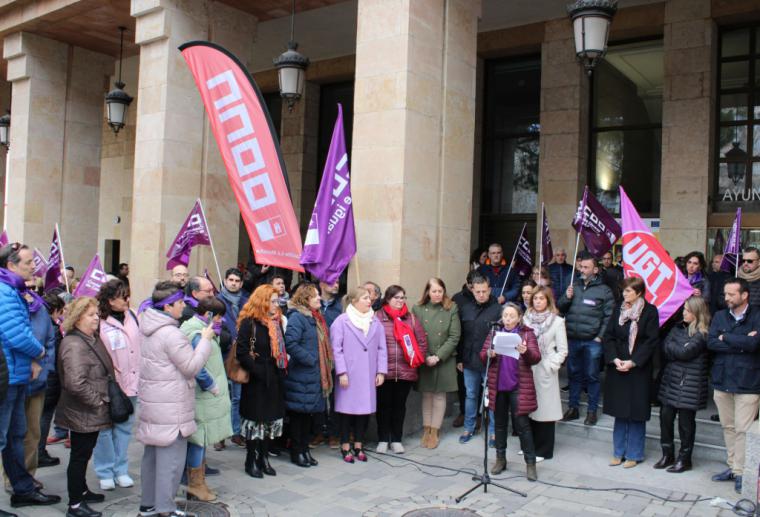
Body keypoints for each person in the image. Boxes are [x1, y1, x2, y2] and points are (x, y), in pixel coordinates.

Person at [136, 281, 213, 516]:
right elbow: (191, 367)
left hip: (154, 403)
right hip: (172, 407)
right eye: (180, 302)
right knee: (170, 463)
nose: (183, 306)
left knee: (152, 459)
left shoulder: (146, 327)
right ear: (168, 307)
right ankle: (165, 509)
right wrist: (206, 340)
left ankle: (148, 504)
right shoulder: (171, 334)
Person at [0, 243, 60, 512]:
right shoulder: (4, 292)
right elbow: (15, 334)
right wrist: (38, 353)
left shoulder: (14, 290)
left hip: (17, 376)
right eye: (28, 262)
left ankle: (22, 489)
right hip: (8, 378)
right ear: (11, 266)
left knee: (16, 436)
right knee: (4, 438)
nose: (33, 266)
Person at [56, 297, 114, 517]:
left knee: (85, 453)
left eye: (97, 313)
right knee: (79, 457)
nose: (96, 318)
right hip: (83, 411)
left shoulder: (89, 338)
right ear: (78, 317)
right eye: (91, 315)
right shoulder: (73, 344)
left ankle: (81, 489)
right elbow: (75, 383)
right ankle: (75, 504)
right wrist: (97, 402)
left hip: (90, 410)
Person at [707, 277, 760, 494]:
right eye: (725, 294)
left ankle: (741, 471)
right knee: (728, 428)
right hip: (722, 381)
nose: (726, 298)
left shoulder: (757, 315)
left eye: (731, 294)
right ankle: (732, 467)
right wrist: (740, 342)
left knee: (742, 430)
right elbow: (711, 342)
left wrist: (726, 337)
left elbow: (755, 344)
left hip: (748, 383)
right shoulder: (720, 315)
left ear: (744, 295)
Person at [602, 277, 659, 469]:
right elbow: (608, 336)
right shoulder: (619, 309)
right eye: (624, 290)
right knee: (620, 411)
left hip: (638, 369)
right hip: (618, 366)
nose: (624, 294)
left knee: (636, 412)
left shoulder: (650, 312)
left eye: (628, 291)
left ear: (639, 292)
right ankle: (618, 452)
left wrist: (633, 362)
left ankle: (634, 454)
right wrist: (614, 359)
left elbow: (651, 341)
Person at [481, 303, 541, 480]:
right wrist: (489, 353)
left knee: (522, 426)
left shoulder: (527, 333)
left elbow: (536, 358)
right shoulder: (494, 332)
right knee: (499, 425)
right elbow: (482, 354)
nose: (507, 319)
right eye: (505, 315)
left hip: (518, 386)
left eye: (511, 316)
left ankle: (530, 464)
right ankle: (500, 459)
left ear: (519, 317)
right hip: (498, 385)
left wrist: (526, 351)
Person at [180, 297, 231, 502]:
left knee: (199, 441)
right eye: (218, 316)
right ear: (209, 315)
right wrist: (211, 385)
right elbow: (197, 366)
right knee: (198, 441)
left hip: (204, 396)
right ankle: (195, 485)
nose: (220, 321)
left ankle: (197, 482)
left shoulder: (201, 328)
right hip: (202, 395)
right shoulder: (197, 333)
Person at [330, 286, 387, 463]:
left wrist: (381, 371)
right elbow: (336, 349)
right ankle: (345, 445)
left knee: (363, 411)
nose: (369, 301)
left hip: (368, 374)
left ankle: (359, 445)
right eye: (364, 298)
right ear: (354, 301)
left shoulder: (375, 322)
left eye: (369, 298)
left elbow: (381, 348)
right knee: (347, 411)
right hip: (349, 374)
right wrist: (342, 372)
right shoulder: (341, 321)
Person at [93, 279, 139, 491]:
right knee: (105, 429)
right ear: (110, 301)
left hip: (132, 383)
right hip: (108, 384)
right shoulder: (99, 322)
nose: (127, 300)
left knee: (124, 428)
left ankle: (121, 469)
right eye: (123, 296)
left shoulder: (134, 316)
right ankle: (105, 470)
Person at [558, 251, 614, 426]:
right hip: (573, 339)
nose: (582, 269)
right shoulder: (573, 286)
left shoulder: (604, 291)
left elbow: (609, 316)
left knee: (592, 376)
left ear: (595, 270)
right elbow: (560, 307)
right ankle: (573, 408)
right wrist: (566, 298)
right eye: (581, 266)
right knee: (574, 375)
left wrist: (600, 337)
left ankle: (591, 411)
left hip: (592, 341)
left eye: (586, 267)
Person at [236, 285, 286, 478]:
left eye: (277, 301)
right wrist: (258, 371)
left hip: (275, 377)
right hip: (257, 380)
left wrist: (280, 370)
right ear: (263, 301)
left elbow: (281, 348)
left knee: (270, 420)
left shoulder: (277, 321)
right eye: (273, 301)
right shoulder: (250, 322)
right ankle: (251, 459)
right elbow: (242, 352)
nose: (276, 304)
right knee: (255, 421)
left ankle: (264, 457)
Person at [655, 296, 710, 473]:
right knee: (665, 418)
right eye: (684, 309)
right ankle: (667, 454)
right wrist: (676, 350)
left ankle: (684, 459)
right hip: (671, 381)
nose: (683, 312)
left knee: (686, 424)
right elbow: (665, 346)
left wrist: (676, 350)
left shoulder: (702, 334)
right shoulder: (677, 327)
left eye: (687, 310)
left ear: (696, 312)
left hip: (689, 385)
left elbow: (685, 352)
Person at [284, 284, 333, 467]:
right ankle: (297, 452)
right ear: (306, 299)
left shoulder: (317, 318)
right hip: (302, 375)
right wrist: (311, 359)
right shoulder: (298, 317)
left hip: (314, 376)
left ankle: (305, 449)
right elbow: (290, 343)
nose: (319, 298)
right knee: (298, 417)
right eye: (315, 296)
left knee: (308, 417)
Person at [375, 285, 428, 454]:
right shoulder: (377, 317)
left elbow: (422, 342)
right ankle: (383, 438)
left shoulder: (411, 319)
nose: (400, 301)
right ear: (388, 299)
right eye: (396, 297)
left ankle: (396, 439)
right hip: (384, 371)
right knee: (383, 406)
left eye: (403, 297)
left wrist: (415, 357)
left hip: (405, 371)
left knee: (399, 406)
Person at [14, 278, 56, 486]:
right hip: (15, 380)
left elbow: (50, 341)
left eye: (33, 287)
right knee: (13, 434)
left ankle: (28, 477)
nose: (29, 292)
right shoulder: (9, 305)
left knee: (33, 432)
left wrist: (44, 367)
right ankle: (12, 478)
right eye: (25, 287)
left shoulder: (41, 310)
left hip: (38, 382)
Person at [413, 278, 460, 450]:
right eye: (434, 291)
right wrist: (425, 356)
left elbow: (455, 336)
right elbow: (414, 335)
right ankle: (426, 429)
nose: (438, 294)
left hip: (443, 358)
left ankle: (435, 430)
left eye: (440, 291)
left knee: (440, 395)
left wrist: (438, 356)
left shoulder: (451, 307)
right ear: (427, 292)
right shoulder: (417, 309)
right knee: (426, 394)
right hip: (424, 357)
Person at [524, 286, 567, 460]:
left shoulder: (557, 321)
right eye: (535, 298)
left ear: (548, 301)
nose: (538, 301)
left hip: (545, 367)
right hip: (527, 367)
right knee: (528, 408)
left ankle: (543, 450)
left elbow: (563, 350)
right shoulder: (525, 319)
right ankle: (529, 446)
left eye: (542, 298)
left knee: (545, 410)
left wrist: (551, 364)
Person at [457, 275, 501, 444]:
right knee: (471, 395)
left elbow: (502, 335)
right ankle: (469, 427)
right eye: (478, 292)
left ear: (489, 290)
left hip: (491, 361)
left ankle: (493, 432)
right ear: (472, 291)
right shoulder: (465, 308)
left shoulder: (498, 309)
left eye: (484, 291)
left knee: (491, 397)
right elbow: (461, 336)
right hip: (469, 360)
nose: (481, 295)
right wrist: (460, 359)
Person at [217, 268, 249, 449]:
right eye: (231, 280)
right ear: (225, 281)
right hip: (223, 354)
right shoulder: (218, 301)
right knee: (222, 395)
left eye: (237, 280)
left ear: (241, 284)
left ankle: (235, 432)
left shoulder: (246, 301)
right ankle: (220, 435)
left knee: (237, 396)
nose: (234, 283)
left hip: (240, 356)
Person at [37, 293, 65, 468]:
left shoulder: (39, 325)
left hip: (44, 378)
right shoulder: (52, 330)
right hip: (50, 379)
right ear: (54, 311)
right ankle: (39, 452)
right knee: (44, 416)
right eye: (60, 312)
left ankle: (38, 451)